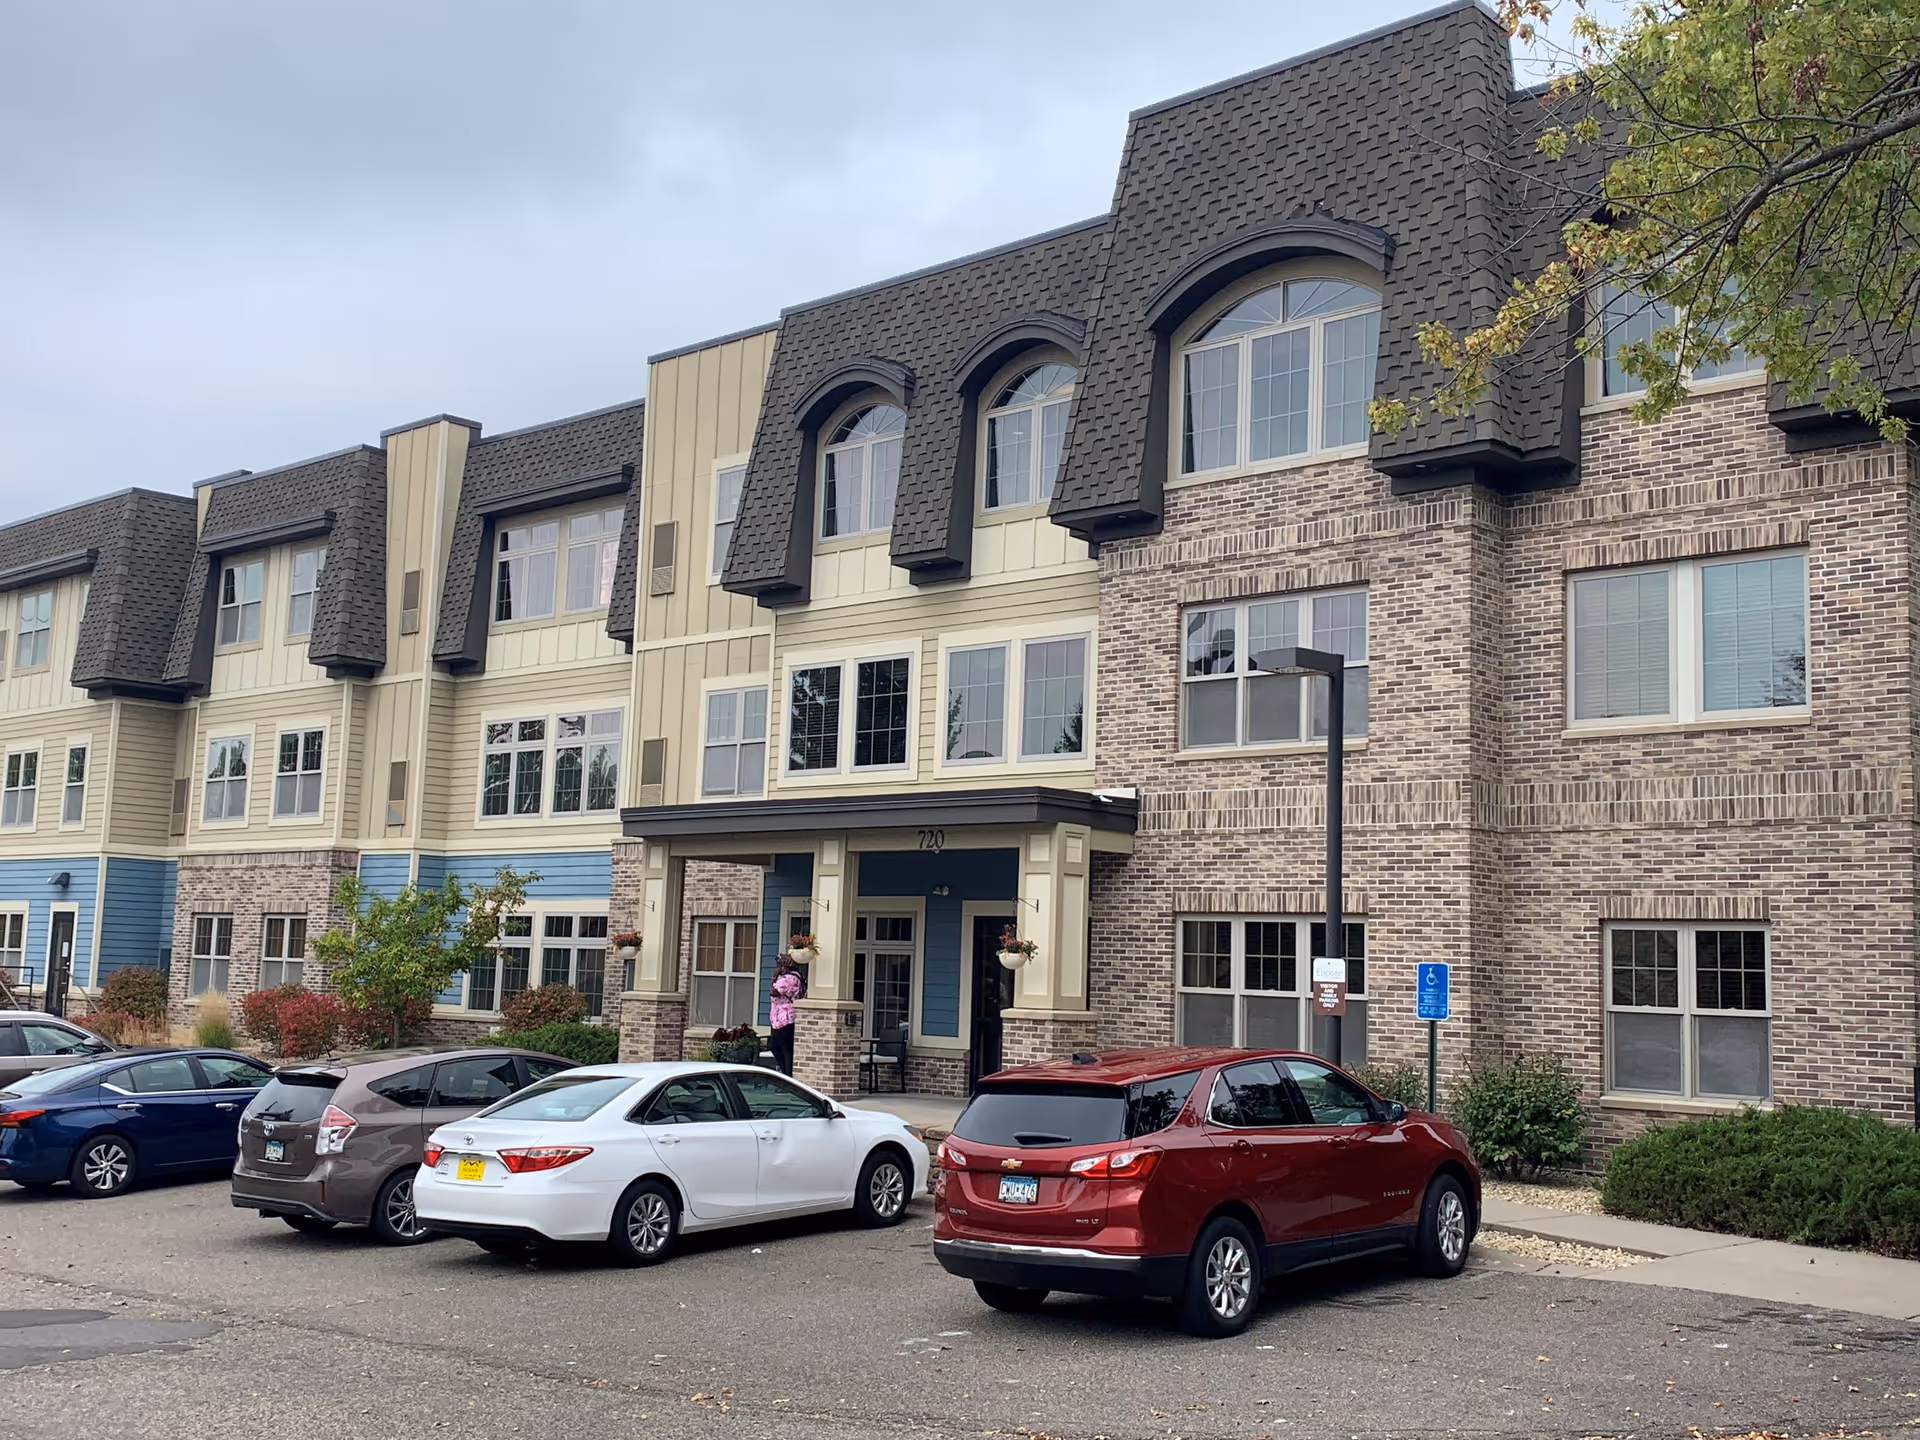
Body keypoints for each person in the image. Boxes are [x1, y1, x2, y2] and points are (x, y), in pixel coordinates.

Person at [768, 954, 801, 1076]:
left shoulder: (789, 979)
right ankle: (786, 1075)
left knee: (785, 1050)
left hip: (785, 1019)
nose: (777, 966)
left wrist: (774, 977)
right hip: (778, 1020)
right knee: (776, 1047)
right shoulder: (793, 977)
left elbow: (774, 992)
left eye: (779, 964)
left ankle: (788, 1077)